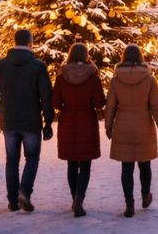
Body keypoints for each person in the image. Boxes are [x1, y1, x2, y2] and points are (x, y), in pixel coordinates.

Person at [0, 28, 54, 212]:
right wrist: (48, 120)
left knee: (12, 160)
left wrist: (1, 112)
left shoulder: (1, 65)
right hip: (31, 121)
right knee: (32, 157)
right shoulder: (38, 66)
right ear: (30, 43)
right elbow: (46, 96)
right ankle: (24, 191)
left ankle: (12, 200)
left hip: (9, 120)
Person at [104, 44, 158, 218]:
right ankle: (145, 195)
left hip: (123, 126)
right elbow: (156, 106)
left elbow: (110, 106)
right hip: (143, 126)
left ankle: (129, 203)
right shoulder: (149, 79)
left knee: (126, 167)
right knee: (145, 165)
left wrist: (108, 126)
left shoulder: (116, 80)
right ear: (141, 57)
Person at [52, 43, 105, 217]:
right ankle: (79, 198)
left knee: (71, 163)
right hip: (87, 121)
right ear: (86, 56)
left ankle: (73, 196)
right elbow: (99, 103)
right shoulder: (93, 76)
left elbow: (55, 103)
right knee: (85, 164)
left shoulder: (61, 76)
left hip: (67, 121)